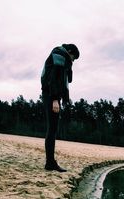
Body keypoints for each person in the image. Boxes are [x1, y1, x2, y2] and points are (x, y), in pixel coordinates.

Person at [41, 43, 79, 172]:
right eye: (73, 58)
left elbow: (64, 79)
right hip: (51, 96)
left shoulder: (61, 57)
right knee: (52, 129)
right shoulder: (59, 55)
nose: (73, 60)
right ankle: (50, 163)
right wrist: (55, 99)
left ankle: (50, 162)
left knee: (52, 129)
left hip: (51, 95)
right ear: (69, 51)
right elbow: (54, 78)